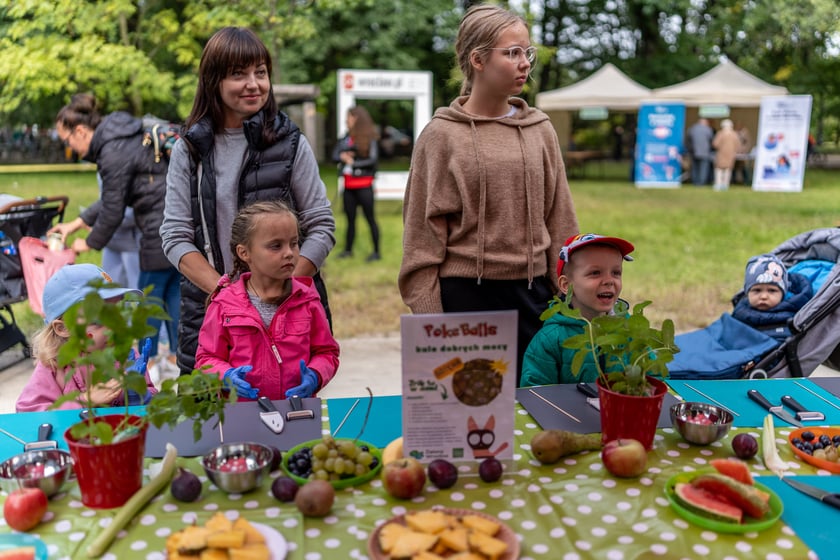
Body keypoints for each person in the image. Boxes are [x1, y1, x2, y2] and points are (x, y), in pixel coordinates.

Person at [398, 4, 579, 385]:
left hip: (535, 297)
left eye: (526, 52)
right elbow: (420, 238)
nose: (524, 63)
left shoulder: (540, 129)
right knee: (470, 418)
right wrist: (432, 324)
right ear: (477, 59)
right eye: (512, 52)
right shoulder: (441, 135)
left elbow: (560, 219)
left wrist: (570, 294)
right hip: (464, 301)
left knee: (542, 410)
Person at [160, 27, 336, 376]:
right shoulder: (189, 150)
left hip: (286, 314)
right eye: (238, 74)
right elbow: (175, 236)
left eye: (260, 71)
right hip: (210, 311)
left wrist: (284, 287)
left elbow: (321, 226)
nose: (253, 83)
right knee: (212, 423)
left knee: (291, 423)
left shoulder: (289, 142)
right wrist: (227, 295)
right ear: (214, 80)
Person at [49, 93, 181, 375]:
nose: (69, 147)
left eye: (67, 140)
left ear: (81, 131)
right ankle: (180, 366)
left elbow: (113, 209)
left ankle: (139, 372)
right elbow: (113, 197)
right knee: (173, 299)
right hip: (176, 230)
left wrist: (88, 242)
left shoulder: (111, 150)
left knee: (144, 304)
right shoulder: (120, 138)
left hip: (159, 232)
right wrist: (75, 224)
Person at [195, 201, 339, 401]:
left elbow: (327, 352)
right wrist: (225, 376)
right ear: (244, 253)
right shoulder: (223, 304)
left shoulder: (308, 300)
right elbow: (206, 359)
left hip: (298, 415)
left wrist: (315, 375)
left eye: (294, 243)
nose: (289, 252)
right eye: (276, 246)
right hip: (241, 418)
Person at [15, 264, 155, 412]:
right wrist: (85, 401)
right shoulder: (54, 365)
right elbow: (27, 411)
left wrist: (140, 395)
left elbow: (151, 399)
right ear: (63, 328)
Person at [520, 234, 634, 387]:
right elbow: (535, 394)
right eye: (595, 273)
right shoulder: (550, 339)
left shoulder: (629, 329)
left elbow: (653, 376)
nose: (609, 281)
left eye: (616, 273)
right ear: (566, 285)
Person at [332, 106, 381, 261]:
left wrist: (352, 163)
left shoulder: (370, 138)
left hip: (364, 185)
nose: (347, 120)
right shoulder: (345, 138)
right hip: (349, 186)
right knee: (350, 219)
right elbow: (334, 155)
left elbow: (373, 160)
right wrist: (343, 156)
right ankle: (348, 250)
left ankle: (376, 252)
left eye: (349, 117)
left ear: (357, 118)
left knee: (370, 218)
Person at [732, 253, 812, 341]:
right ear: (747, 293)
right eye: (757, 290)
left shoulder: (793, 315)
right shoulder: (740, 312)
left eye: (772, 291)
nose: (763, 296)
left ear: (783, 293)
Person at [712, 119, 741, 191]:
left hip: (721, 154)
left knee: (719, 169)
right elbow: (738, 145)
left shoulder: (720, 134)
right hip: (731, 154)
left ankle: (718, 184)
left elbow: (715, 144)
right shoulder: (734, 134)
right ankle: (725, 185)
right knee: (728, 170)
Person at [686, 117, 714, 186]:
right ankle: (701, 183)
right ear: (705, 122)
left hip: (694, 152)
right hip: (704, 152)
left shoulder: (692, 129)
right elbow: (711, 140)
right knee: (703, 168)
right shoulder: (708, 129)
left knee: (694, 168)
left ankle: (695, 181)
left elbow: (688, 139)